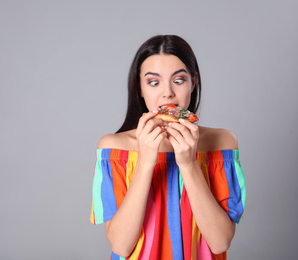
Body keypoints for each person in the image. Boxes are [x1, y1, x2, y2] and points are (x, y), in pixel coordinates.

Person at [90, 35, 246, 260]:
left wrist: (189, 164)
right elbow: (121, 247)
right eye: (153, 82)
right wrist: (145, 163)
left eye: (179, 80)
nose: (167, 93)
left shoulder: (222, 143)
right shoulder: (114, 149)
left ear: (193, 82)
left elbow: (220, 242)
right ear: (139, 89)